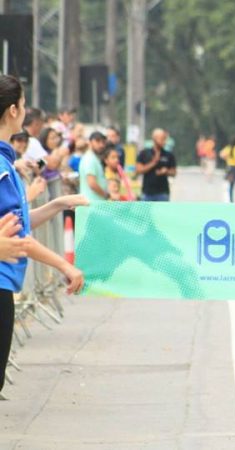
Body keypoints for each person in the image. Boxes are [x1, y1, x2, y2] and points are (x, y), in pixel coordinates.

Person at [0, 74, 85, 395]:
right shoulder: (3, 168)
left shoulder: (7, 163)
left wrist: (59, 203)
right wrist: (65, 266)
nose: (24, 111)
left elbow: (19, 224)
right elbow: (18, 238)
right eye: (22, 105)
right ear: (12, 111)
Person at [135, 128, 177, 201]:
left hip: (163, 192)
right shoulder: (144, 153)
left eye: (165, 139)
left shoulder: (169, 155)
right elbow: (138, 170)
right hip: (147, 193)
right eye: (162, 139)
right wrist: (153, 163)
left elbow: (174, 172)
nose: (164, 142)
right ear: (154, 139)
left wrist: (166, 171)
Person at [79, 131, 112, 202]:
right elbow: (92, 183)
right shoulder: (89, 159)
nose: (101, 145)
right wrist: (106, 195)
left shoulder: (94, 158)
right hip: (91, 204)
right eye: (97, 141)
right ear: (89, 142)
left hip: (94, 204)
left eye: (103, 142)